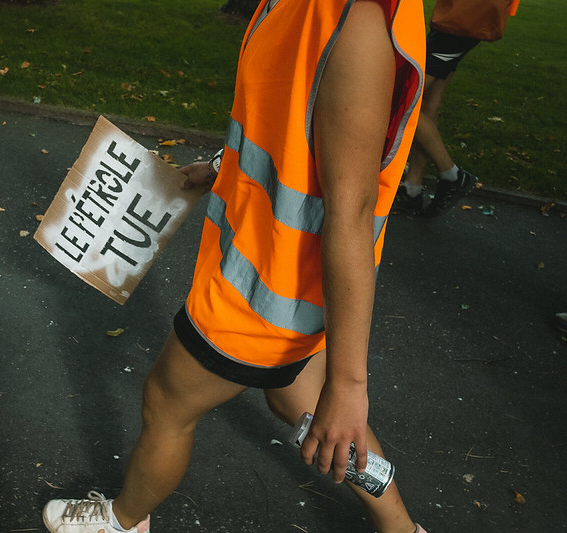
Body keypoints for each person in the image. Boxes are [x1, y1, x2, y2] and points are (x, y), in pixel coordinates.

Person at [42, 0, 428, 531]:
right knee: (303, 402)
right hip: (279, 279)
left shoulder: (356, 25)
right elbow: (294, 123)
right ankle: (402, 529)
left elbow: (352, 210)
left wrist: (350, 384)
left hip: (266, 295)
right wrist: (224, 167)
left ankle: (121, 522)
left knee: (166, 403)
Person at [394, 0, 520, 217]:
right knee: (428, 104)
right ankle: (411, 191)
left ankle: (451, 175)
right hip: (460, 19)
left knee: (404, 101)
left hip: (461, 20)